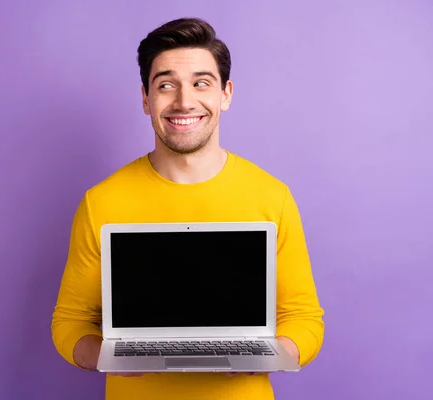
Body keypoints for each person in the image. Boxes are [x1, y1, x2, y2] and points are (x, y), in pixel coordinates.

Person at [51, 17, 324, 400]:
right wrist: (109, 356)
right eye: (166, 85)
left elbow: (304, 317)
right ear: (145, 98)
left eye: (201, 83)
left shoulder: (271, 196)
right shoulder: (102, 201)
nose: (184, 101)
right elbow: (70, 322)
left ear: (225, 94)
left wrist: (269, 354)